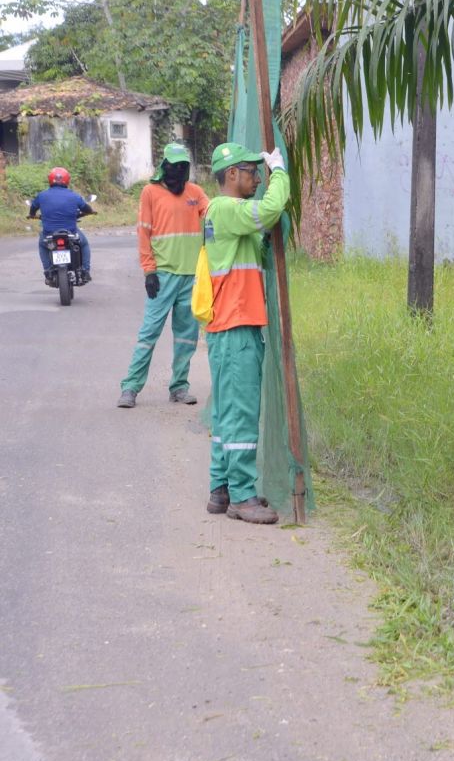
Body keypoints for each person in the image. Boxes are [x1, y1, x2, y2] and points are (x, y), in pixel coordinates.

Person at [203, 142, 291, 525]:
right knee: (240, 413)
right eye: (252, 172)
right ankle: (241, 496)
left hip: (230, 327)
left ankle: (220, 489)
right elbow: (270, 210)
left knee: (226, 413)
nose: (257, 178)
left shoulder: (226, 216)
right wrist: (280, 173)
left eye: (261, 172)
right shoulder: (225, 208)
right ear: (232, 174)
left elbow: (260, 247)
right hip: (236, 327)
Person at [117, 143, 210, 409]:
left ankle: (179, 387)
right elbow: (143, 232)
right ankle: (130, 387)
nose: (177, 171)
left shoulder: (195, 192)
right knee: (149, 332)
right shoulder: (150, 192)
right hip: (163, 276)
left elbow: (213, 213)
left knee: (186, 337)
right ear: (164, 167)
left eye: (183, 167)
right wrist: (149, 271)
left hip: (191, 277)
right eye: (173, 166)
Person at [28, 167, 94, 283]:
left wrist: (32, 215)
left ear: (50, 180)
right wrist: (90, 211)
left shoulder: (42, 195)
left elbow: (33, 207)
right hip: (70, 232)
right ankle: (85, 271)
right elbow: (86, 208)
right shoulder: (74, 196)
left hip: (49, 233)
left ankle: (48, 271)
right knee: (84, 245)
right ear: (67, 180)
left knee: (42, 245)